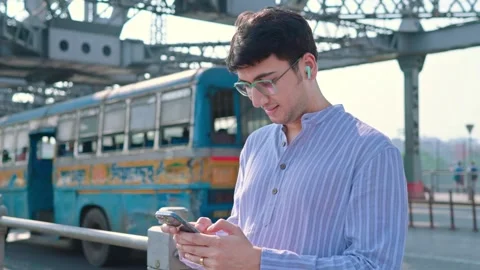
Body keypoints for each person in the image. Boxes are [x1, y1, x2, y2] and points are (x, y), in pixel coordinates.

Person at [161, 6, 408, 270]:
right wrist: (209, 245)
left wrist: (258, 262)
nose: (256, 101)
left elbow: (373, 265)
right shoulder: (255, 145)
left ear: (308, 67)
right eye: (246, 87)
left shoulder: (372, 152)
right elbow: (246, 236)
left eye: (266, 82)